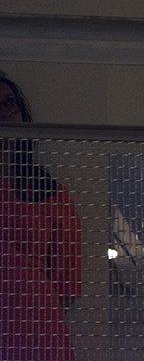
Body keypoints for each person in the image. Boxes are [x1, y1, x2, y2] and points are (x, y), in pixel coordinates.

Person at [0, 71, 83, 361]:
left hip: (38, 332)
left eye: (10, 104)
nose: (5, 114)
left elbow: (66, 284)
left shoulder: (48, 192)